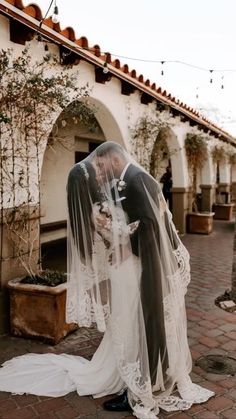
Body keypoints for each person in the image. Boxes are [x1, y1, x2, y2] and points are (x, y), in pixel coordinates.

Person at [0, 142, 214, 419]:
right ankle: (134, 377)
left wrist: (126, 243)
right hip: (128, 266)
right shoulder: (117, 188)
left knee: (136, 321)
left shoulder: (136, 180)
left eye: (101, 165)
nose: (100, 171)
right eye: (97, 169)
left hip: (138, 264)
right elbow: (140, 223)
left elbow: (152, 224)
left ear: (113, 159)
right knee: (129, 322)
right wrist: (122, 240)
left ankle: (139, 382)